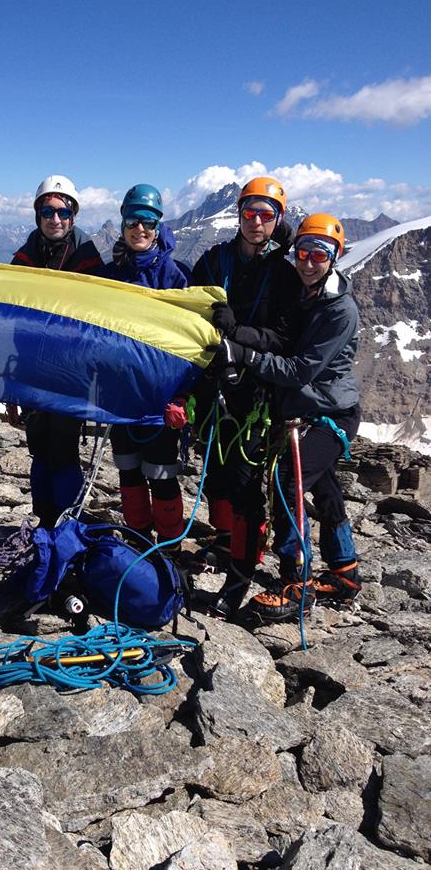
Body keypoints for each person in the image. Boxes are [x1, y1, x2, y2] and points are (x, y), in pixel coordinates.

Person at [212, 213, 362, 621]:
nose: (309, 261)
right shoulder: (306, 291)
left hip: (329, 411)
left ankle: (295, 582)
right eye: (304, 252)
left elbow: (299, 371)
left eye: (320, 254)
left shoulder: (339, 311)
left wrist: (245, 354)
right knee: (325, 485)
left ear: (335, 257)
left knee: (288, 482)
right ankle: (344, 570)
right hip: (306, 409)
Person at [189, 177, 300, 615]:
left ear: (277, 221)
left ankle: (239, 578)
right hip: (214, 389)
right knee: (218, 476)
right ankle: (230, 546)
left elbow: (286, 336)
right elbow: (188, 306)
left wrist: (240, 334)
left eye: (266, 214)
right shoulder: (215, 261)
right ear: (239, 214)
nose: (257, 221)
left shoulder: (285, 276)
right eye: (250, 212)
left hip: (256, 398)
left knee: (246, 487)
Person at [10, 175, 105, 528]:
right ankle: (45, 518)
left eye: (62, 211)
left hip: (69, 371)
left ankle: (66, 523)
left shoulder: (86, 256)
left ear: (73, 215)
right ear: (38, 215)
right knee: (38, 443)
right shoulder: (25, 255)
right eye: (47, 211)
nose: (55, 219)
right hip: (33, 366)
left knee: (63, 446)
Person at [104, 184, 192, 553]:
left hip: (161, 396)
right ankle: (139, 538)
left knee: (161, 471)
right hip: (122, 393)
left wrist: (183, 395)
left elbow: (192, 343)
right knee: (127, 466)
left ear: (158, 226)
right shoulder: (108, 275)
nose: (139, 229)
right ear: (123, 224)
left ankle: (169, 546)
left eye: (147, 222)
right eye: (132, 222)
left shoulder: (176, 276)